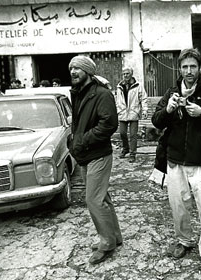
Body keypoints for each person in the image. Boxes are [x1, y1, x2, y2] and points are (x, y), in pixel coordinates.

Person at [151, 48, 201, 278]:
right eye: (185, 67)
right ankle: (184, 241)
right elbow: (157, 121)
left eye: (193, 66)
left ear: (199, 68)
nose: (188, 71)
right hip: (175, 163)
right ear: (180, 68)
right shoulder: (171, 93)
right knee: (178, 208)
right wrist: (168, 109)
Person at [67, 55, 122, 265]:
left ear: (88, 72)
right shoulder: (79, 93)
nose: (73, 72)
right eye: (71, 68)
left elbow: (109, 125)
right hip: (84, 155)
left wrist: (81, 141)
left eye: (77, 69)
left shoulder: (101, 94)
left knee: (93, 200)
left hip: (98, 154)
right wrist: (74, 142)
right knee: (102, 199)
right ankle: (114, 236)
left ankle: (106, 243)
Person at [115, 66, 148, 162]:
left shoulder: (138, 86)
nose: (125, 75)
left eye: (127, 73)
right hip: (123, 113)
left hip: (134, 112)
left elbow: (143, 98)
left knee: (133, 135)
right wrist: (118, 110)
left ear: (131, 74)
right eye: (124, 74)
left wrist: (145, 110)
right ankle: (125, 149)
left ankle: (133, 153)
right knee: (122, 133)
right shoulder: (119, 86)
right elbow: (117, 100)